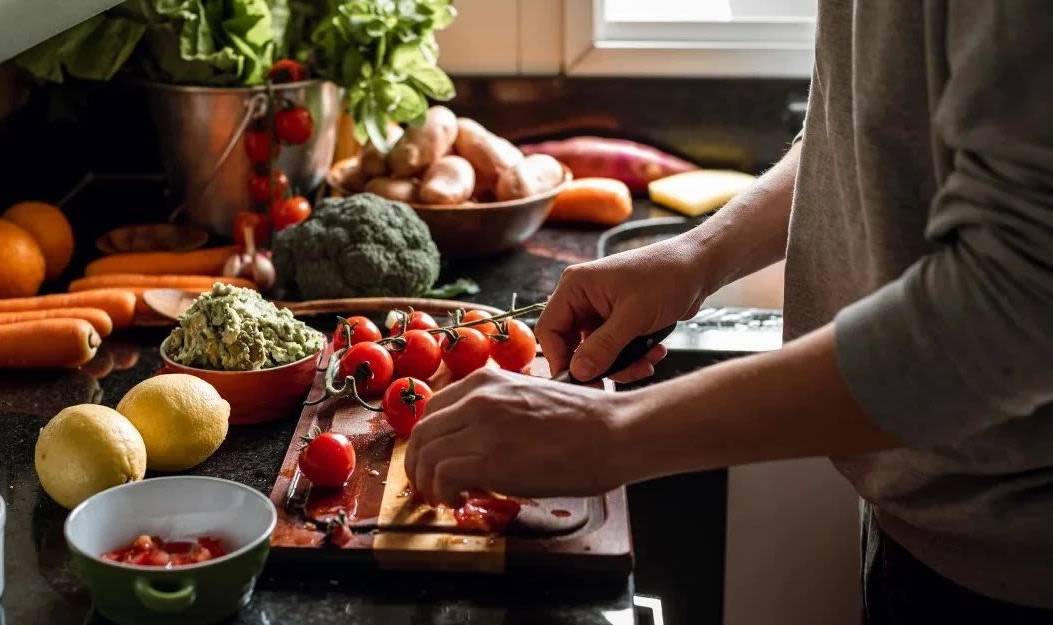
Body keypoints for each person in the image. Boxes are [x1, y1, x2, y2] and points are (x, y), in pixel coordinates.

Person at [405, 2, 1053, 622]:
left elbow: (1017, 300)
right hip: (928, 516)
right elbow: (859, 129)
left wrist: (616, 430)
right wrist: (696, 257)